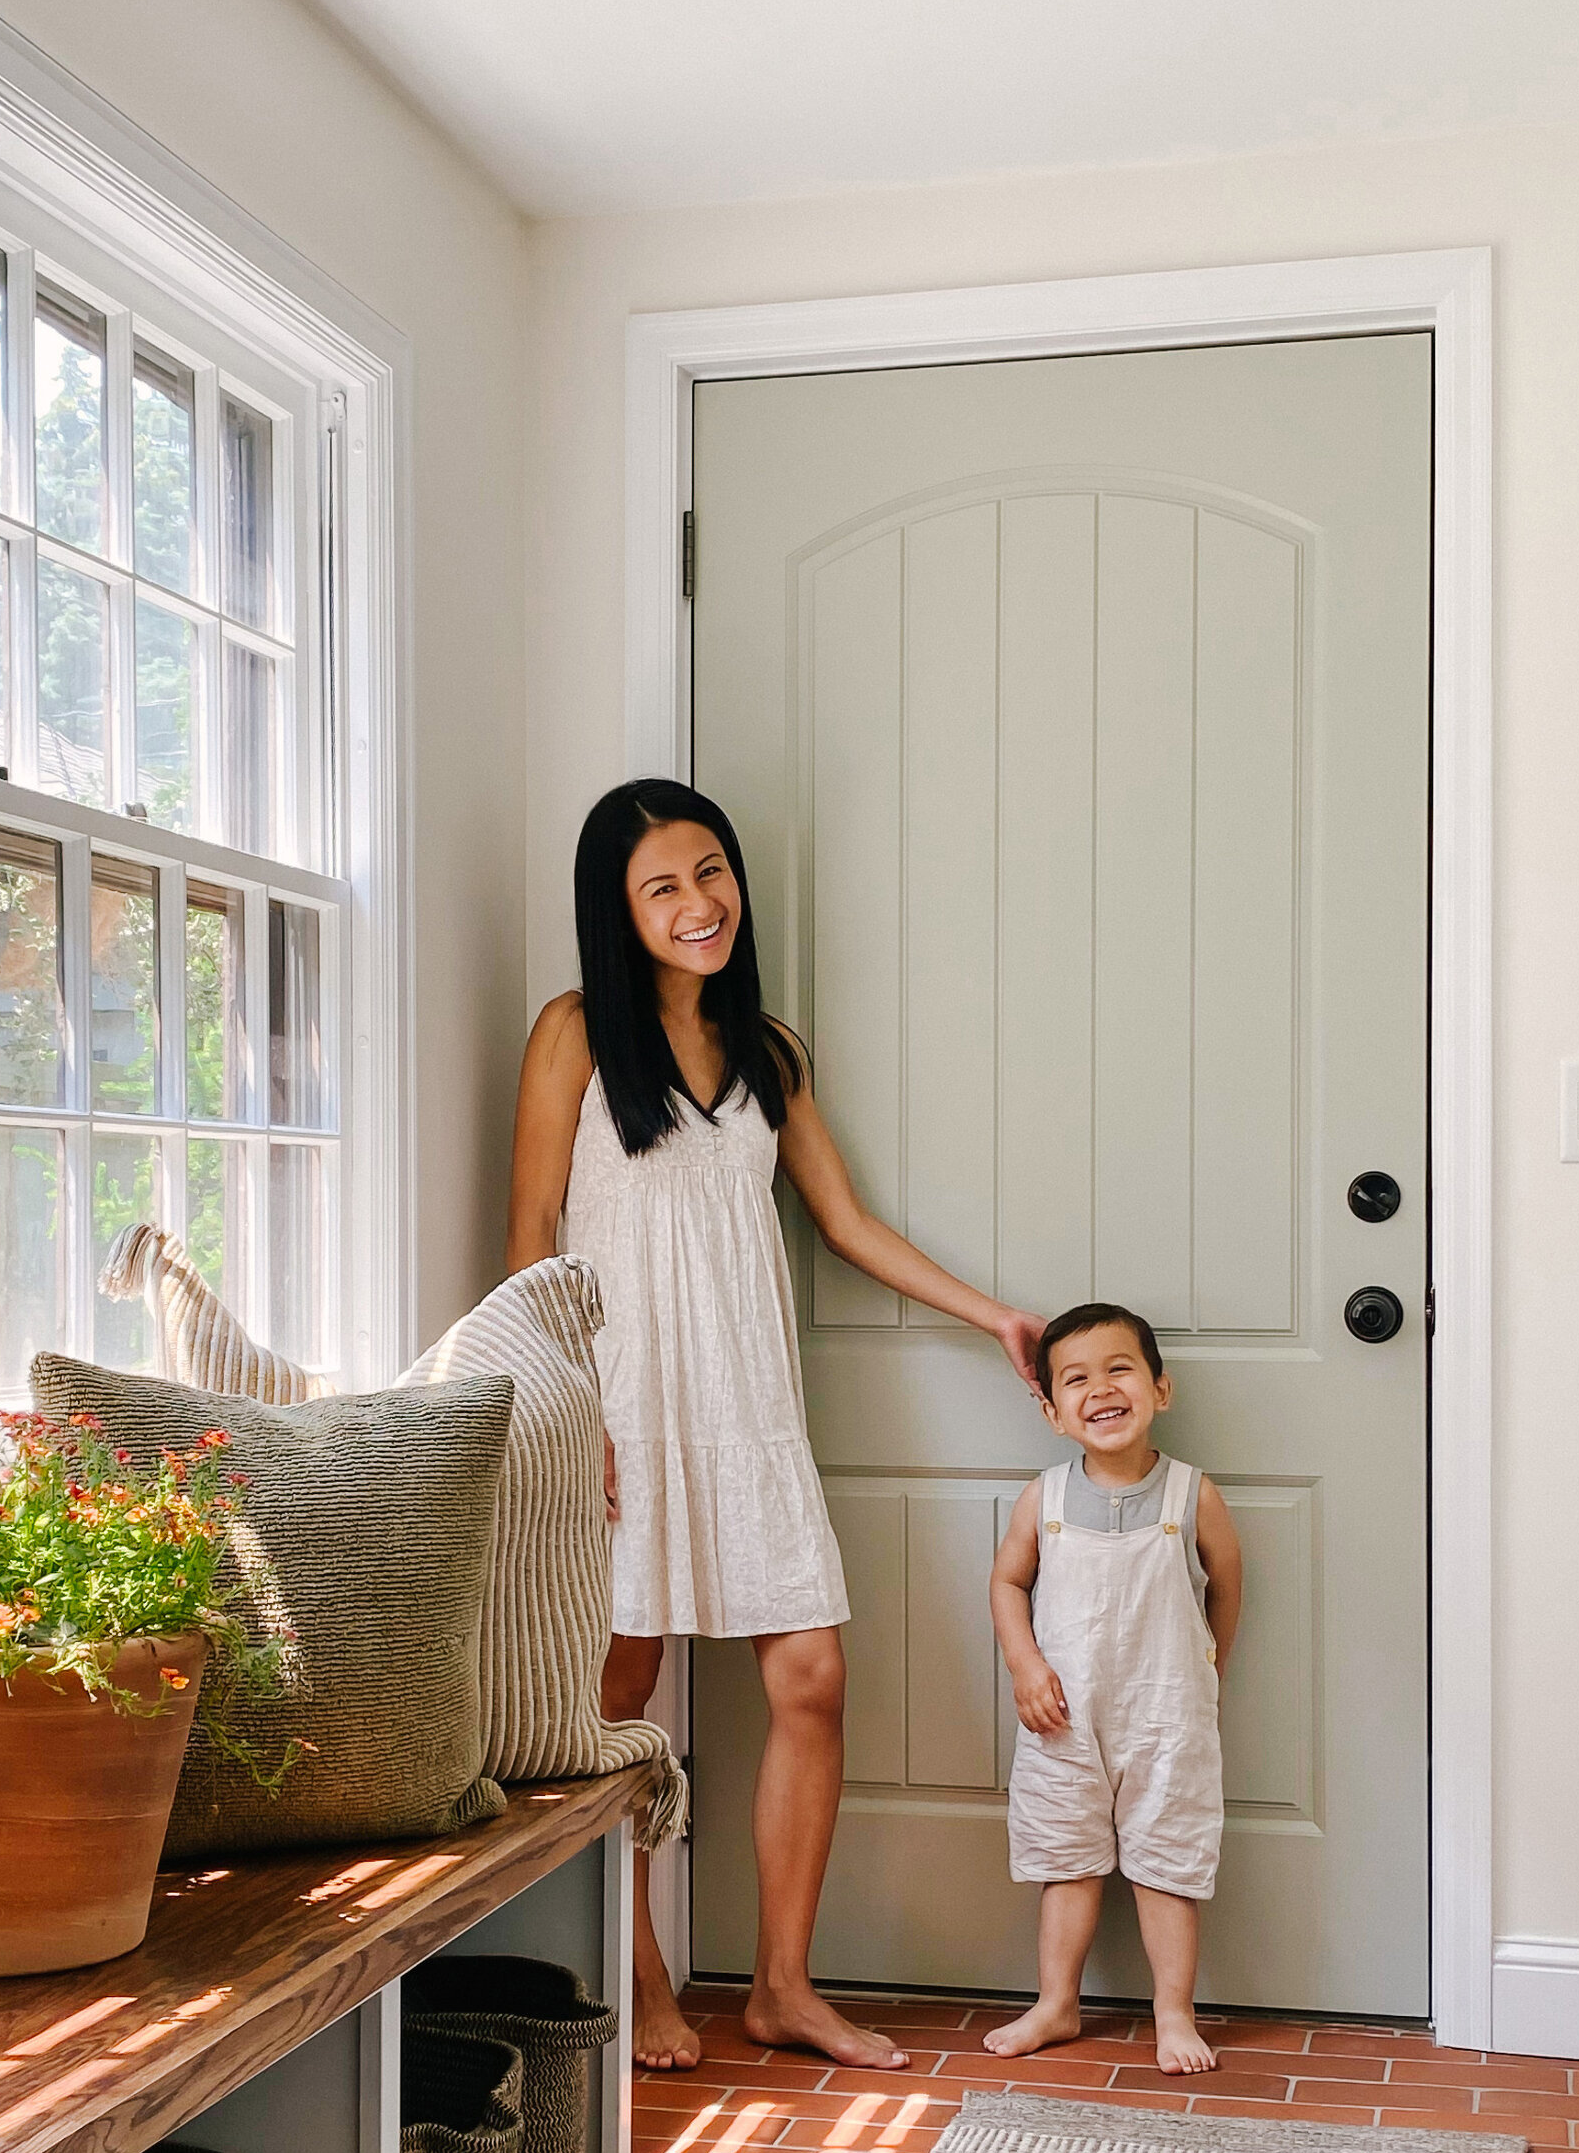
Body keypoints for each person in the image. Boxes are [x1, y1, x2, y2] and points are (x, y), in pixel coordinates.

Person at [507, 778, 1046, 2074]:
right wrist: (560, 1407)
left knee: (811, 1677)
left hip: (748, 1403)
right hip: (619, 1403)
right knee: (613, 1698)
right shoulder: (574, 1034)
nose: (700, 904)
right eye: (664, 886)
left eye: (712, 872)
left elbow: (846, 1225)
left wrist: (997, 1319)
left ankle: (783, 1988)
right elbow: (529, 1229)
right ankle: (640, 1984)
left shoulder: (771, 1050)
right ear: (617, 909)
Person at [984, 1302, 1243, 2077]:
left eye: (1120, 1368)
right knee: (1068, 1859)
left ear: (1161, 1388)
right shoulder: (1046, 1497)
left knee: (1167, 1864)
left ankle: (1173, 2010)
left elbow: (1226, 1587)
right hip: (1063, 1715)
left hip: (1167, 1719)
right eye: (1076, 1378)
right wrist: (1025, 1665)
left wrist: (1208, 1671)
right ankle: (1057, 2001)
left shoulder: (1193, 1495)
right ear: (1053, 1411)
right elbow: (1005, 1582)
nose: (1101, 1388)